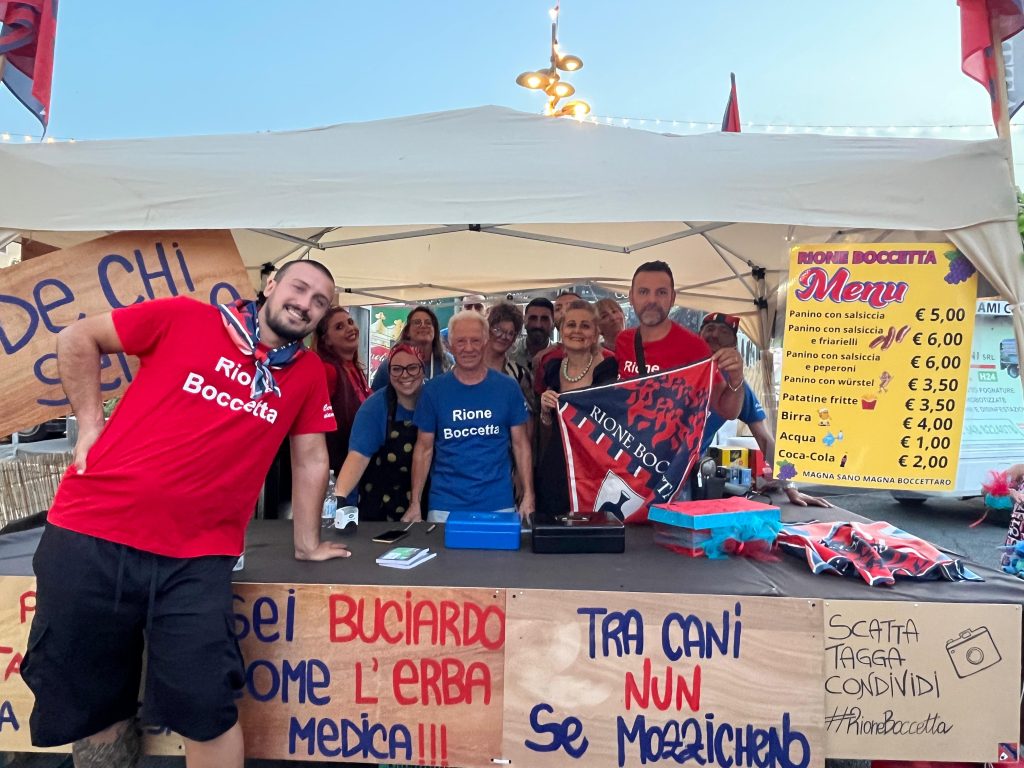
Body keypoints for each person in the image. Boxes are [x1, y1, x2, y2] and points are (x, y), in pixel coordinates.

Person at [22, 259, 350, 768]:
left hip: (197, 559)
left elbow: (310, 458)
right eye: (299, 288)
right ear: (270, 285)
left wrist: (306, 544)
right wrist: (89, 425)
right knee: (93, 704)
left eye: (319, 301)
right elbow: (78, 337)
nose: (305, 304)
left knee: (207, 708)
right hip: (92, 533)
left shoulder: (307, 373)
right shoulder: (186, 317)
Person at [407, 310, 535, 522]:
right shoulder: (434, 391)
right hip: (445, 506)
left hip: (498, 503)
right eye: (461, 341)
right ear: (449, 344)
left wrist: (529, 495)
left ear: (485, 342)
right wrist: (415, 503)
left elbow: (521, 445)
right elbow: (423, 448)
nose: (468, 348)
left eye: (475, 340)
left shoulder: (508, 387)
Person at [698, 312, 833, 508]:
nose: (715, 335)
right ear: (699, 335)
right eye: (709, 329)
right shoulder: (676, 369)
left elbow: (765, 440)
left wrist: (790, 486)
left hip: (685, 477)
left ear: (734, 344)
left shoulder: (738, 388)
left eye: (724, 331)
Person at [615, 261, 744, 421]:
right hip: (625, 434)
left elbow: (728, 411)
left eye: (661, 292)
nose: (652, 300)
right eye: (643, 292)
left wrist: (736, 378)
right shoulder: (623, 341)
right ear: (631, 297)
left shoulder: (695, 348)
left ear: (673, 298)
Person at [536, 300, 618, 519]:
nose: (577, 331)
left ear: (596, 333)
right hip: (556, 465)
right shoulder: (552, 368)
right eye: (571, 325)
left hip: (593, 467)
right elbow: (547, 428)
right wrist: (545, 410)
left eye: (585, 326)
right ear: (561, 330)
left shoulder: (608, 369)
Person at [334, 343, 428, 522]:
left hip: (426, 505)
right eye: (397, 369)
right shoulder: (375, 406)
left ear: (423, 369)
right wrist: (339, 498)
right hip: (380, 508)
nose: (405, 375)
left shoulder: (434, 400)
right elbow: (358, 457)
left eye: (412, 368)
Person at [315, 306, 371, 473]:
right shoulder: (328, 371)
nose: (350, 328)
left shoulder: (355, 368)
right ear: (326, 340)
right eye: (339, 327)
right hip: (337, 468)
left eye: (350, 322)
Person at [371, 305, 452, 390]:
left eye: (428, 323)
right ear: (407, 332)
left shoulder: (447, 361)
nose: (423, 326)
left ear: (435, 331)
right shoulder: (391, 365)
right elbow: (375, 395)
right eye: (417, 322)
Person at [484, 302, 533, 410]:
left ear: (514, 338)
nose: (503, 336)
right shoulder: (469, 367)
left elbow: (529, 412)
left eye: (510, 333)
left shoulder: (519, 373)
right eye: (498, 330)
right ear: (487, 329)